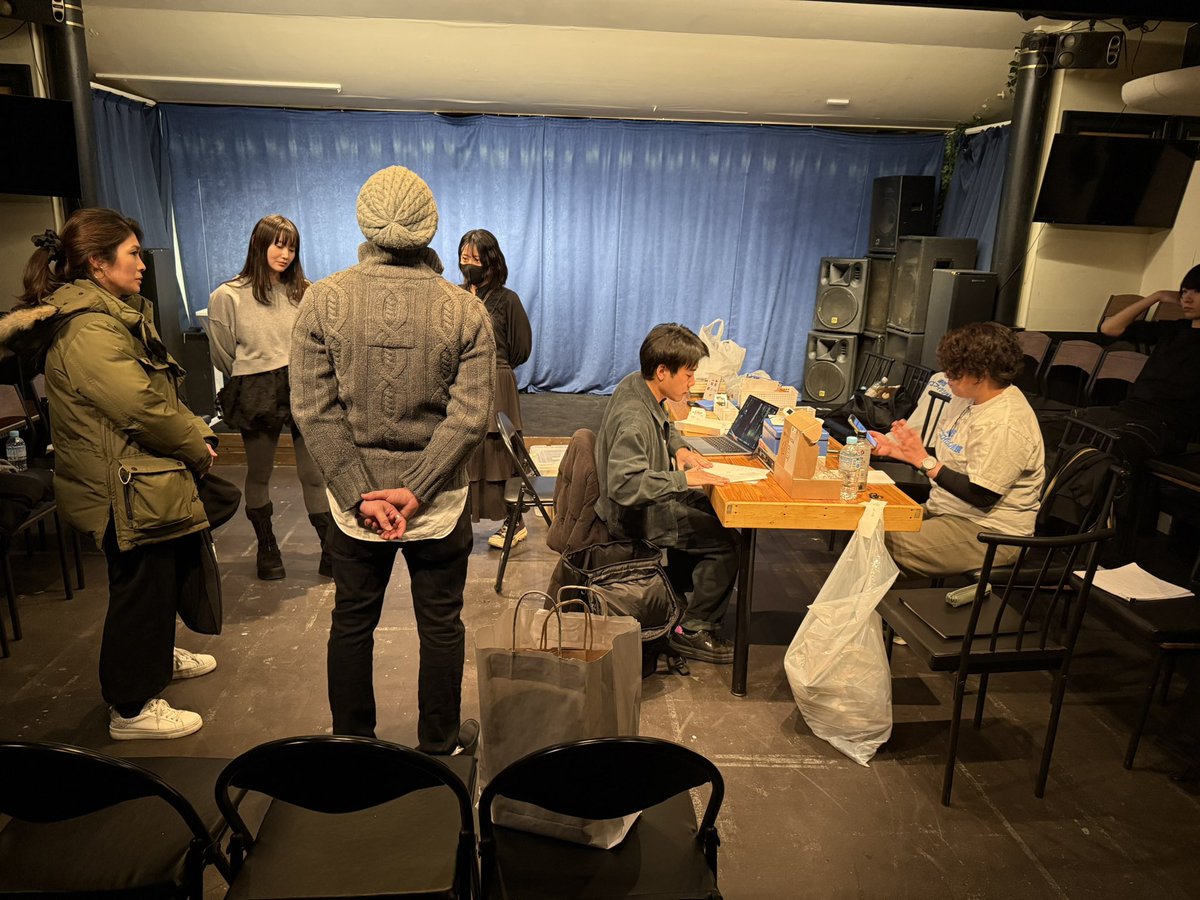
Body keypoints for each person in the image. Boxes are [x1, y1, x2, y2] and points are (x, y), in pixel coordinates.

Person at [291, 165, 495, 753]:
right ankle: (440, 743)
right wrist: (418, 487)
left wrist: (359, 490)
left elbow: (313, 410)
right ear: (429, 229)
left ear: (367, 224)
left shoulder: (322, 301)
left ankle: (353, 746)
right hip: (435, 503)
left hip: (356, 503)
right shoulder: (464, 309)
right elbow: (471, 415)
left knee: (352, 621)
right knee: (440, 625)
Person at [0, 208, 220, 739]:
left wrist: (193, 433)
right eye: (132, 254)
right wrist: (194, 440)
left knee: (164, 565)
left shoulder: (109, 314)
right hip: (121, 485)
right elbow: (138, 406)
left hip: (137, 475)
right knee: (139, 587)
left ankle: (154, 655)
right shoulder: (90, 329)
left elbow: (153, 395)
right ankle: (132, 707)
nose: (142, 264)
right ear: (98, 264)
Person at [594, 323, 738, 664]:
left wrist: (681, 450)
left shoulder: (638, 385)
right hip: (636, 516)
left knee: (712, 513)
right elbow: (626, 487)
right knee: (727, 542)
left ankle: (673, 594)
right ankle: (693, 629)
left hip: (652, 496)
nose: (692, 383)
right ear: (662, 371)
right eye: (688, 375)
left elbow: (665, 425)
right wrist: (683, 480)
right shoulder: (633, 418)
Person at [206, 214, 331, 580]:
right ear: (259, 244)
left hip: (302, 384)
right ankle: (267, 546)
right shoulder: (228, 295)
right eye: (279, 244)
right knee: (260, 472)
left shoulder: (305, 291)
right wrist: (253, 372)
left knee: (313, 474)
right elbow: (223, 354)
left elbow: (316, 342)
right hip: (256, 387)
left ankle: (330, 548)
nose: (286, 254)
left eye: (292, 246)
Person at [868, 321, 1045, 579]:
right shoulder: (966, 398)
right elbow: (953, 454)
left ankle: (871, 615)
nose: (947, 378)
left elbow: (983, 495)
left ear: (981, 374)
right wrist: (901, 451)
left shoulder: (1005, 422)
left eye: (954, 373)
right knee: (867, 524)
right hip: (949, 511)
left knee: (882, 542)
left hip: (991, 532)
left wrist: (923, 461)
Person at [458, 229, 532, 549]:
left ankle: (513, 522)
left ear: (491, 261)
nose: (469, 264)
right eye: (464, 258)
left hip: (498, 381)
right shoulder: (456, 296)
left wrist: (498, 369)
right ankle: (461, 520)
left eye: (476, 258)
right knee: (468, 453)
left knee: (501, 454)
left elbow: (521, 348)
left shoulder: (507, 299)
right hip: (464, 381)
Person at [1082, 265, 1200, 463]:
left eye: (1197, 292)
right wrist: (1156, 296)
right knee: (1070, 426)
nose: (1187, 298)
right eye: (1184, 291)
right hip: (1130, 412)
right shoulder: (1174, 329)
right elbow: (1110, 328)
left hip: (1165, 425)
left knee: (1107, 450)